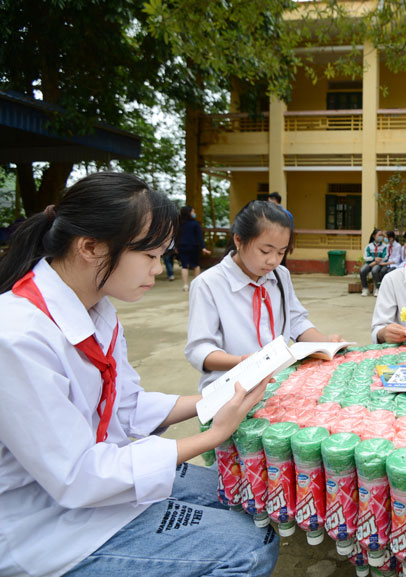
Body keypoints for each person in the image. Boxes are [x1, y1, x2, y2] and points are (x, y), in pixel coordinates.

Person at [0, 172, 277, 577]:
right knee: (252, 546)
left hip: (97, 491)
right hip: (45, 525)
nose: (157, 267)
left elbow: (125, 405)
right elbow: (77, 477)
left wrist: (219, 396)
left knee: (243, 493)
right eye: (148, 256)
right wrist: (211, 435)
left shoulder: (98, 310)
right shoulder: (17, 336)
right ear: (90, 247)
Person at [185, 200, 343, 392]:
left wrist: (326, 343)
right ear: (238, 240)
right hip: (231, 390)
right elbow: (200, 349)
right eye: (265, 251)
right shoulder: (209, 284)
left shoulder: (280, 275)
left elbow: (295, 321)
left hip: (277, 383)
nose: (273, 261)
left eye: (281, 252)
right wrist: (243, 362)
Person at [176, 205, 210, 292]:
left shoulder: (179, 224)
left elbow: (176, 236)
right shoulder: (195, 224)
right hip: (193, 246)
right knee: (195, 265)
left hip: (182, 246)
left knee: (184, 266)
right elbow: (200, 237)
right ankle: (196, 284)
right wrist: (203, 247)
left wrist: (175, 247)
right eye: (193, 212)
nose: (194, 213)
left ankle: (185, 285)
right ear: (189, 213)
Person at [267, 192, 293, 267]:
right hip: (284, 242)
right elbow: (291, 230)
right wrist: (291, 244)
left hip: (273, 241)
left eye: (269, 201)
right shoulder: (288, 213)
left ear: (274, 200)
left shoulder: (270, 213)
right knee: (281, 261)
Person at [359, 228, 386, 297]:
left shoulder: (384, 246)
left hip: (379, 264)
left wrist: (376, 262)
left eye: (381, 235)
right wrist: (374, 259)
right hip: (369, 263)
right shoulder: (369, 246)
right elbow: (365, 257)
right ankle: (365, 288)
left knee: (375, 270)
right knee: (362, 271)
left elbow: (385, 257)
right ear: (374, 236)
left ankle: (377, 288)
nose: (381, 237)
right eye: (379, 235)